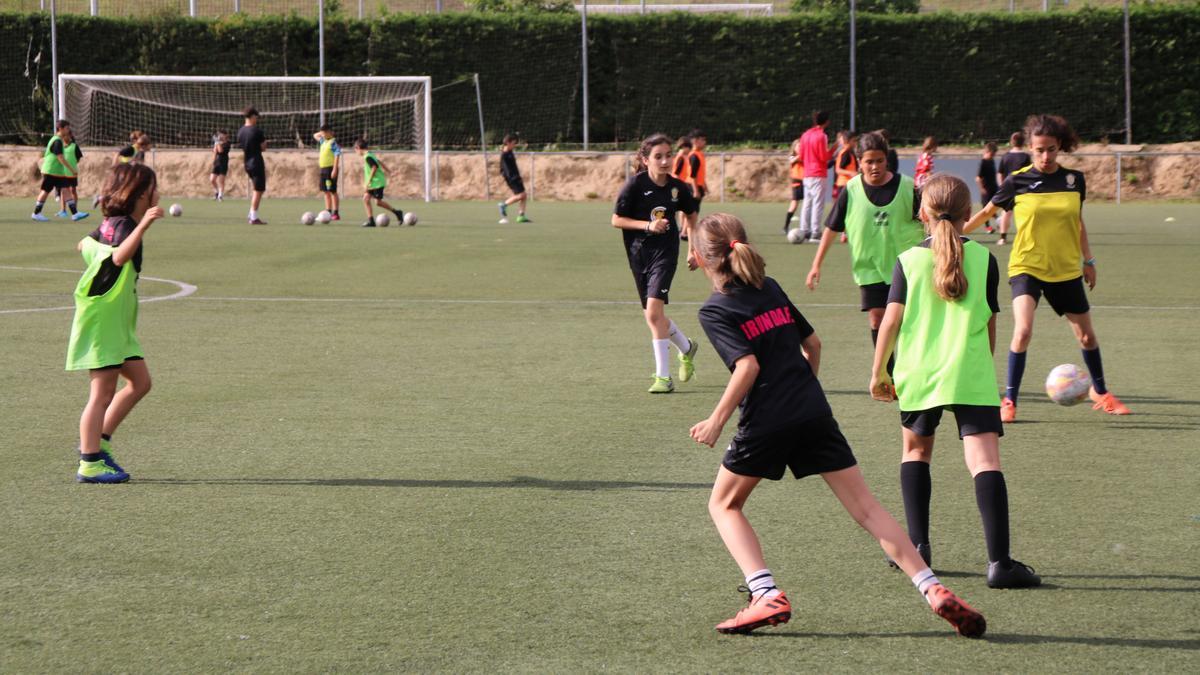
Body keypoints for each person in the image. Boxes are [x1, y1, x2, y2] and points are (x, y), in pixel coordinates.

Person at [688, 212, 986, 638]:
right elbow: (813, 343)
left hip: (766, 420)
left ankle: (765, 592)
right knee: (867, 508)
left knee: (723, 505)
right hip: (813, 411)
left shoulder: (716, 308)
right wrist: (803, 391)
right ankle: (932, 588)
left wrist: (716, 420)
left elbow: (747, 366)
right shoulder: (768, 287)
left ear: (698, 258)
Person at [870, 174, 1041, 589]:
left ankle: (918, 549)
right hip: (971, 371)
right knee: (985, 463)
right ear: (969, 215)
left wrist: (878, 372)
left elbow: (890, 321)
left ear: (922, 214)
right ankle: (1000, 563)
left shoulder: (909, 259)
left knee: (915, 453)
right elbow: (990, 322)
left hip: (919, 373)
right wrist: (983, 367)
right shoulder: (984, 260)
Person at [965, 113, 1130, 420]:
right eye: (1039, 149)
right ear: (1030, 147)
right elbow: (988, 210)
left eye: (1051, 149)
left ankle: (1101, 391)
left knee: (1087, 337)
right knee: (1023, 330)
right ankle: (1010, 401)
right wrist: (954, 233)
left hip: (1066, 269)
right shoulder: (1018, 181)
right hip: (1027, 266)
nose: (1045, 155)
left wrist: (1089, 260)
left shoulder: (1074, 180)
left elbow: (1077, 222)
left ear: (1059, 147)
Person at [66, 163, 163, 484]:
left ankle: (99, 442)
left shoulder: (111, 223)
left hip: (115, 321)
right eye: (153, 188)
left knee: (140, 382)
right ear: (140, 195)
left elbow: (83, 245)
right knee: (101, 393)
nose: (158, 193)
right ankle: (90, 462)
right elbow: (119, 257)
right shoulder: (124, 225)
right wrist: (143, 226)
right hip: (104, 321)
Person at [806, 131, 924, 370]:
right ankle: (888, 372)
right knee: (877, 318)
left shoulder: (907, 187)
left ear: (886, 159)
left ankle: (910, 368)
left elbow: (928, 221)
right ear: (859, 161)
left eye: (880, 160)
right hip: (869, 269)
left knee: (907, 321)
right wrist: (816, 264)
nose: (875, 166)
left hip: (906, 267)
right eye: (869, 161)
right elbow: (831, 228)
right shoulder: (851, 190)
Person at [611, 133, 701, 394]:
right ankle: (687, 347)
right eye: (658, 156)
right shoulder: (634, 186)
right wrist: (648, 225)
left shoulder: (678, 188)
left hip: (666, 253)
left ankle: (664, 377)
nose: (665, 161)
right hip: (638, 255)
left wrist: (692, 250)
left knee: (653, 314)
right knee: (654, 316)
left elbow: (692, 216)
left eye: (668, 155)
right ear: (645, 159)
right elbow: (617, 220)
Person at [32, 119, 88, 222]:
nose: (68, 130)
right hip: (51, 170)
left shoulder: (58, 140)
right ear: (60, 129)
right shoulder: (57, 141)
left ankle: (75, 213)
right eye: (67, 128)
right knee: (45, 191)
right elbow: (60, 157)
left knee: (66, 189)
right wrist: (71, 169)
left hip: (57, 172)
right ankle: (36, 213)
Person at [797, 111, 832, 242]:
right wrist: (834, 149)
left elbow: (801, 156)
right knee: (818, 203)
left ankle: (804, 231)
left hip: (807, 173)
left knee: (807, 202)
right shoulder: (822, 136)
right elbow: (824, 157)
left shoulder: (805, 135)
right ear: (827, 121)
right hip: (818, 173)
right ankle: (815, 232)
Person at [354, 139, 405, 228]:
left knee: (377, 202)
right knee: (366, 199)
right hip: (374, 183)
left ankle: (397, 212)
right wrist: (389, 171)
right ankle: (371, 221)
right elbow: (379, 162)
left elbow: (374, 167)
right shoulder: (369, 154)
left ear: (358, 148)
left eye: (355, 150)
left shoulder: (368, 157)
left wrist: (368, 181)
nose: (356, 152)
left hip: (377, 182)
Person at [995, 131, 1031, 246]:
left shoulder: (1006, 156)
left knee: (1006, 213)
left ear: (1011, 142)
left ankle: (1002, 238)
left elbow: (999, 173)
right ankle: (1025, 238)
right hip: (1023, 189)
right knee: (1026, 214)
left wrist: (1002, 186)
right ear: (1023, 142)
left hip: (1008, 188)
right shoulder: (1025, 157)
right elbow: (1029, 173)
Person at [237, 106, 268, 225]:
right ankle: (253, 216)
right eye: (256, 117)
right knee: (258, 189)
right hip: (256, 162)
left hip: (247, 162)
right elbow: (263, 148)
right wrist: (265, 144)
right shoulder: (257, 131)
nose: (257, 119)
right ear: (252, 116)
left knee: (257, 188)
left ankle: (251, 213)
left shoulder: (240, 131)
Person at [497, 134, 530, 224]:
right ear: (508, 143)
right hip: (512, 178)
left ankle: (521, 216)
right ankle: (503, 205)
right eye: (513, 143)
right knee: (521, 195)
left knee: (524, 195)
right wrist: (514, 178)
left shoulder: (509, 151)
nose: (515, 145)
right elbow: (505, 170)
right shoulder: (505, 155)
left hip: (515, 177)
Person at [313, 124, 342, 221]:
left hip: (330, 169)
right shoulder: (323, 141)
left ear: (330, 132)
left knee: (332, 191)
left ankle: (336, 213)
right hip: (323, 169)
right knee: (325, 191)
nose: (323, 135)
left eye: (325, 133)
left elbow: (337, 155)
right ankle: (328, 211)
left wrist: (335, 169)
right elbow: (315, 135)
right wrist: (322, 133)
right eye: (322, 133)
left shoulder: (333, 142)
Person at [975, 142, 1000, 234]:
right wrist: (982, 189)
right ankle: (988, 227)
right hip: (986, 190)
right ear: (988, 151)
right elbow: (978, 178)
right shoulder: (983, 162)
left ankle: (998, 221)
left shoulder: (992, 161)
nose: (994, 155)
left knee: (993, 207)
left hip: (993, 188)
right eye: (993, 153)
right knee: (986, 209)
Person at [783, 133, 804, 235]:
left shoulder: (804, 157)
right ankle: (786, 226)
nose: (801, 148)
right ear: (794, 147)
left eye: (802, 146)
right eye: (799, 146)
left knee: (808, 205)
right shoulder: (792, 157)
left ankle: (806, 226)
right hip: (797, 183)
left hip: (807, 182)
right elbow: (793, 160)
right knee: (794, 204)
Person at [832, 130, 859, 203]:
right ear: (847, 141)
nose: (855, 143)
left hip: (849, 184)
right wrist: (851, 173)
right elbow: (838, 170)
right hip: (844, 184)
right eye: (853, 141)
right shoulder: (845, 153)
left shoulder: (850, 152)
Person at [686, 129, 709, 209]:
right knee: (692, 214)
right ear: (695, 141)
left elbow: (700, 173)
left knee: (694, 213)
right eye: (702, 140)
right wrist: (695, 191)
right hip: (693, 186)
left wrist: (704, 185)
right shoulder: (694, 156)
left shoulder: (699, 154)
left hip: (698, 186)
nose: (704, 142)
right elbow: (692, 175)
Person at [210, 130, 230, 200]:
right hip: (217, 163)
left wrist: (217, 142)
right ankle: (217, 192)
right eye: (219, 135)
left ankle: (220, 195)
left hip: (223, 163)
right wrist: (213, 161)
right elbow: (215, 151)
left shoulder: (227, 143)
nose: (220, 136)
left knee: (221, 180)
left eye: (221, 135)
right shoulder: (218, 143)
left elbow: (221, 150)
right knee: (212, 179)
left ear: (225, 135)